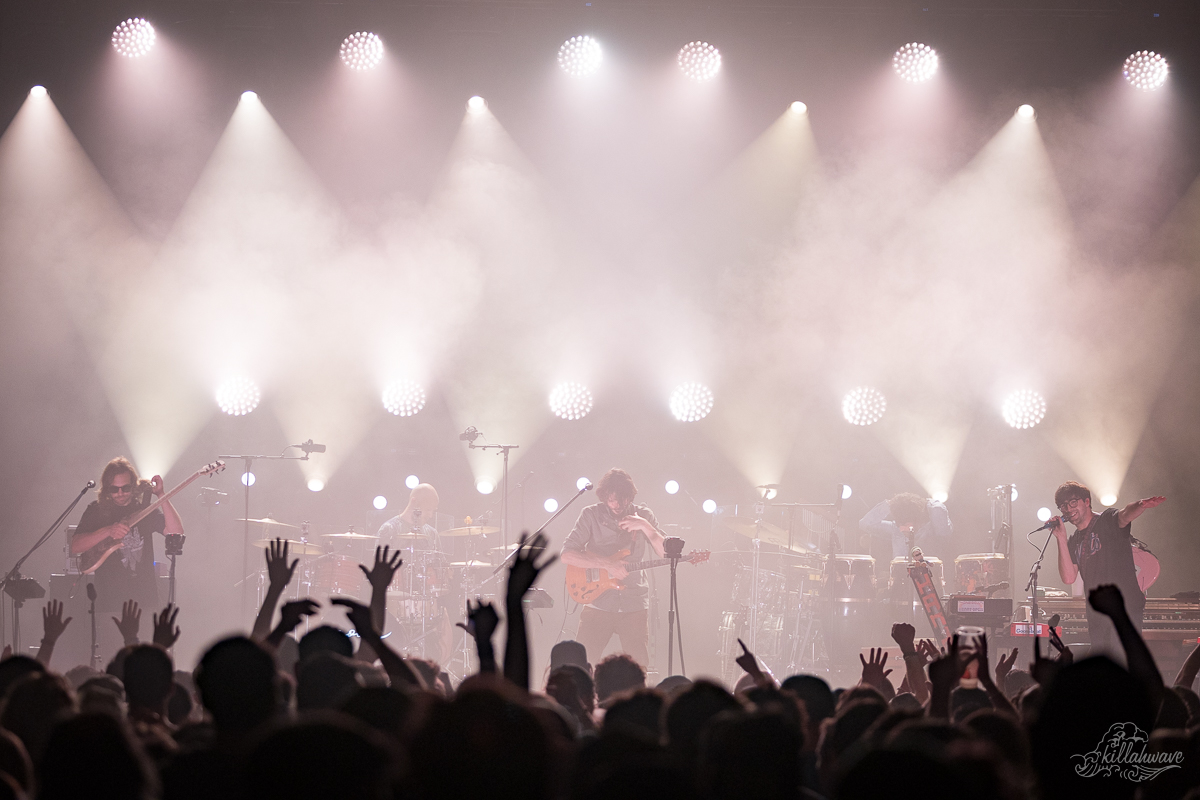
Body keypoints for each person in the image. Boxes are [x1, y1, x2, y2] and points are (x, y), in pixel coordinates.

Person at [560, 469, 665, 669]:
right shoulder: (591, 514)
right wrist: (607, 564)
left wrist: (645, 526)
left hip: (634, 601)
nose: (617, 505)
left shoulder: (644, 515)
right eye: (611, 500)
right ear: (604, 497)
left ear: (630, 497)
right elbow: (567, 554)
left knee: (638, 666)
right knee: (583, 664)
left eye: (622, 500)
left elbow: (665, 553)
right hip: (597, 601)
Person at [1049, 480, 1165, 655]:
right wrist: (1060, 538)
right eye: (1063, 506)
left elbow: (1125, 514)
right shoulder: (1073, 540)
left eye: (1073, 502)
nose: (1068, 509)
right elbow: (1068, 578)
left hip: (1123, 607)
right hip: (1097, 611)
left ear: (1086, 501)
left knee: (1123, 662)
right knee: (1103, 667)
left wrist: (1141, 504)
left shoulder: (1106, 520)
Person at [72, 458, 185, 613]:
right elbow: (76, 546)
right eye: (114, 489)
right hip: (108, 603)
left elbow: (176, 532)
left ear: (133, 486)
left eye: (125, 488)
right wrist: (108, 530)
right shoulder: (96, 511)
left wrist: (161, 495)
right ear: (107, 489)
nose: (120, 493)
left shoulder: (144, 510)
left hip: (145, 602)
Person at [858, 492, 952, 562]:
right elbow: (865, 524)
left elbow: (938, 511)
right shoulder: (895, 528)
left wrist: (926, 502)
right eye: (899, 524)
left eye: (905, 524)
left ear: (917, 520)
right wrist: (890, 504)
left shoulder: (934, 529)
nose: (901, 529)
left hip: (929, 582)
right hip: (901, 581)